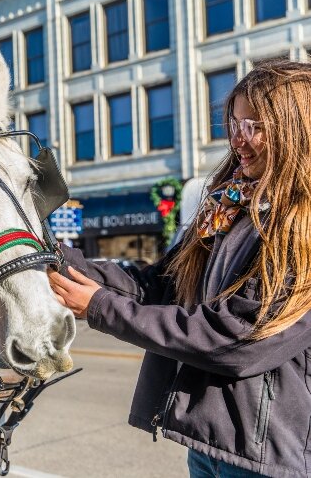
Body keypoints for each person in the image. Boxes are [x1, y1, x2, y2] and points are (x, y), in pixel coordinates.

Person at [49, 59, 311, 478]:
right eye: (235, 124)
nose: (239, 140)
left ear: (295, 130)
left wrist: (98, 306)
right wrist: (51, 255)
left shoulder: (300, 229)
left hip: (266, 459)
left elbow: (239, 338)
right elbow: (157, 284)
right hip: (210, 446)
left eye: (255, 126)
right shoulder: (229, 211)